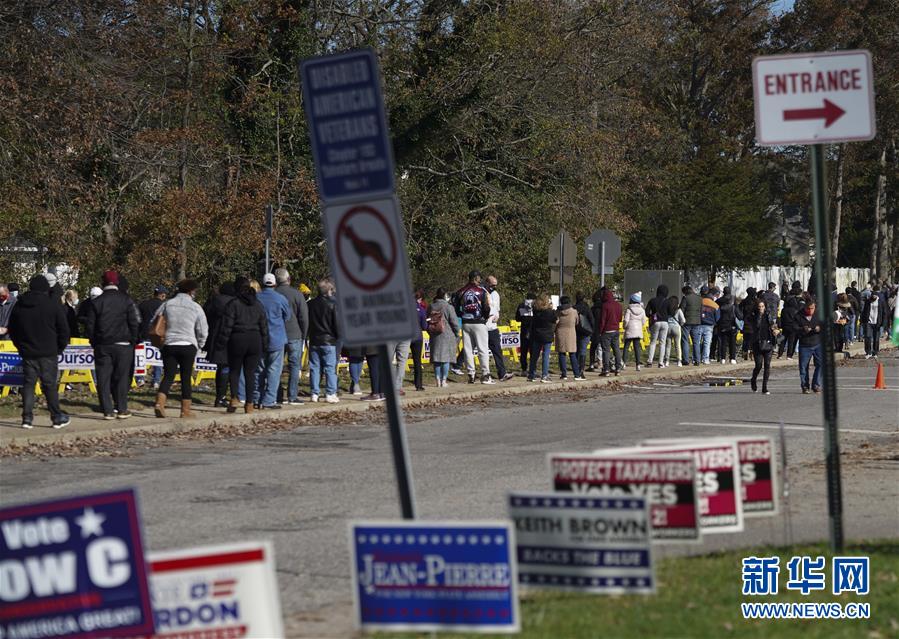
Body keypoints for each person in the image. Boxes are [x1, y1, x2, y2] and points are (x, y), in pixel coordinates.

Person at [8, 275, 70, 429]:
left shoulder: (19, 305)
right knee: (49, 385)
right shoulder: (51, 304)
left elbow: (13, 329)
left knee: (28, 385)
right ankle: (56, 417)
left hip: (28, 351)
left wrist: (20, 347)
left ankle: (27, 418)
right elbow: (64, 329)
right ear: (45, 288)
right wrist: (59, 348)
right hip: (48, 351)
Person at [83, 270, 140, 419]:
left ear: (103, 283)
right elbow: (134, 322)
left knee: (103, 377)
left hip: (103, 344)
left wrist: (94, 341)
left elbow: (90, 326)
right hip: (123, 344)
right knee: (121, 377)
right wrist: (133, 340)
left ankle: (107, 409)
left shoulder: (96, 302)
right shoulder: (126, 300)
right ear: (117, 283)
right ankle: (121, 408)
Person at [151, 279, 208, 418]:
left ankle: (159, 403)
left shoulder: (167, 304)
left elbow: (155, 321)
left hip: (169, 343)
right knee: (186, 377)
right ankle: (185, 411)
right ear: (191, 291)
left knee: (168, 375)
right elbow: (202, 329)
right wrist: (199, 344)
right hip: (188, 345)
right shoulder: (196, 307)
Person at [216, 276, 268, 414]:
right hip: (255, 339)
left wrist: (221, 343)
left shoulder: (234, 304)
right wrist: (265, 343)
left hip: (237, 338)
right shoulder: (258, 305)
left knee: (235, 370)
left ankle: (234, 398)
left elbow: (227, 325)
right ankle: (249, 404)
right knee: (250, 372)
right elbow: (264, 326)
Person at [253, 273, 291, 409]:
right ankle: (269, 400)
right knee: (274, 371)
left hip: (259, 338)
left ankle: (256, 398)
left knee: (259, 370)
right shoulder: (280, 299)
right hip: (277, 338)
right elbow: (288, 316)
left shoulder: (256, 298)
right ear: (274, 284)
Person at [274, 268, 309, 406]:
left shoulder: (274, 294)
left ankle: (276, 394)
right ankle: (292, 395)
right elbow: (304, 317)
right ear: (289, 279)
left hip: (277, 334)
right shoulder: (297, 294)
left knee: (276, 366)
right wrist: (304, 335)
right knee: (295, 366)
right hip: (295, 334)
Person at [455, 270, 494, 384]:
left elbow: (456, 307)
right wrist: (486, 317)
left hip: (466, 322)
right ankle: (486, 374)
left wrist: (462, 315)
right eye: (479, 278)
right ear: (476, 278)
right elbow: (486, 307)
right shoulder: (481, 291)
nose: (480, 280)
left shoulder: (461, 291)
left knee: (468, 350)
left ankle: (471, 375)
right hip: (479, 321)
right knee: (482, 349)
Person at [307, 278, 340, 403]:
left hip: (315, 339)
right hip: (329, 340)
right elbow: (336, 323)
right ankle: (330, 393)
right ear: (329, 290)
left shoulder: (310, 304)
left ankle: (314, 393)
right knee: (330, 368)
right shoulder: (333, 304)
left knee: (314, 367)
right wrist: (337, 336)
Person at [203, 282, 235, 407]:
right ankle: (225, 396)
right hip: (229, 336)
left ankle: (219, 395)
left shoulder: (213, 302)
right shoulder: (234, 303)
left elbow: (206, 316)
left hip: (215, 336)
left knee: (221, 368)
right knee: (228, 368)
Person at [428, 288, 459, 388]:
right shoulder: (448, 307)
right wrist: (457, 332)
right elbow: (454, 322)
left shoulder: (431, 306)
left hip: (434, 334)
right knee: (446, 359)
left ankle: (437, 380)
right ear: (445, 295)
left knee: (437, 359)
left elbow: (427, 320)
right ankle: (444, 381)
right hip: (447, 335)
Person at [484, 275, 514, 382]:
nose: (494, 287)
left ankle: (502, 373)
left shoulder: (495, 294)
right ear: (487, 283)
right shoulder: (482, 293)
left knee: (497, 350)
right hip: (483, 327)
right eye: (492, 285)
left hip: (493, 327)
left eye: (496, 285)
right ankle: (457, 364)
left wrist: (497, 315)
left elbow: (496, 308)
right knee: (472, 346)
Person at [138, 285, 168, 388]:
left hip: (143, 334)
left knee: (141, 357)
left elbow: (137, 319)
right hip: (157, 335)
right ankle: (156, 380)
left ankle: (140, 379)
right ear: (163, 295)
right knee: (157, 358)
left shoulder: (143, 304)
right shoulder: (164, 306)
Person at [750, 298, 779, 395]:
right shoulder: (753, 315)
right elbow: (756, 326)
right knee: (758, 365)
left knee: (767, 365)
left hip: (768, 342)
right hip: (757, 343)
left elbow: (773, 324)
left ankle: (764, 387)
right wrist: (759, 315)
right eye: (759, 307)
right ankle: (753, 380)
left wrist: (776, 330)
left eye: (762, 306)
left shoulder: (769, 315)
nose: (761, 308)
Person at [795, 296, 822, 393]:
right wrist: (803, 329)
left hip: (818, 343)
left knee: (820, 364)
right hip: (805, 344)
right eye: (808, 308)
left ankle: (816, 384)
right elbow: (794, 328)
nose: (810, 311)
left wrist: (820, 328)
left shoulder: (819, 314)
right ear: (805, 307)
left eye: (812, 308)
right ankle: (805, 386)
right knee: (803, 367)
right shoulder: (798, 315)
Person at [527, 294, 556, 382]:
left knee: (534, 356)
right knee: (546, 355)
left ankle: (531, 374)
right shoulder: (549, 312)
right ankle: (545, 375)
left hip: (536, 335)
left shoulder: (536, 311)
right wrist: (552, 307)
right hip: (547, 335)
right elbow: (555, 319)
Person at [554, 295, 582, 380]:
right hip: (571, 333)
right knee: (572, 354)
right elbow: (577, 322)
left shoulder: (558, 312)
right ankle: (577, 374)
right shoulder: (574, 311)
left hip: (560, 333)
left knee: (561, 354)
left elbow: (555, 322)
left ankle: (564, 374)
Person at [599, 289, 623, 376]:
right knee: (616, 350)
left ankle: (606, 370)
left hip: (607, 330)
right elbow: (620, 318)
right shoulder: (618, 305)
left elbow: (603, 320)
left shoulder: (605, 306)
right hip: (616, 330)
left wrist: (600, 331)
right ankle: (618, 368)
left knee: (606, 351)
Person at [777, 282, 804, 360]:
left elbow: (781, 317)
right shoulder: (795, 309)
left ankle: (780, 354)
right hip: (793, 325)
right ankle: (789, 355)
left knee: (783, 340)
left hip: (785, 325)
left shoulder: (784, 309)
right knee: (791, 340)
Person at [645, 285, 669, 368]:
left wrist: (652, 315)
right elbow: (670, 312)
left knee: (653, 342)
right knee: (662, 343)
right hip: (665, 322)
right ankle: (661, 362)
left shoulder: (652, 300)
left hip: (656, 322)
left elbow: (647, 312)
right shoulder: (667, 301)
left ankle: (649, 361)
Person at [622, 292, 646, 371]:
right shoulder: (642, 310)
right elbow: (644, 321)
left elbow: (626, 320)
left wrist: (624, 327)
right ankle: (638, 365)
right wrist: (640, 326)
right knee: (637, 348)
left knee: (626, 347)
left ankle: (624, 363)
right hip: (638, 331)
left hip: (629, 329)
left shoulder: (629, 309)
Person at [410, 290, 428, 391]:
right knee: (417, 361)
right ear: (420, 299)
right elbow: (424, 326)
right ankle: (418, 384)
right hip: (417, 336)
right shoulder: (421, 309)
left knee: (401, 360)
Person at [698, 285, 720, 365]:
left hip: (699, 324)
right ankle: (705, 359)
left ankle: (697, 358)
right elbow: (717, 318)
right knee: (707, 343)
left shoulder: (699, 302)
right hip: (709, 326)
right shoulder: (715, 305)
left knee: (698, 342)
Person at [680, 285, 702, 365]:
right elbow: (701, 310)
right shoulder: (699, 298)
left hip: (686, 322)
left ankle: (686, 360)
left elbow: (681, 310)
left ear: (685, 291)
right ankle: (697, 360)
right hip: (697, 322)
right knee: (696, 342)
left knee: (685, 341)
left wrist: (681, 321)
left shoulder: (685, 298)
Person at [715, 287, 738, 364]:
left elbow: (716, 308)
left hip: (722, 323)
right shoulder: (733, 300)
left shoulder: (719, 301)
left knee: (723, 342)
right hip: (732, 323)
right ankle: (732, 358)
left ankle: (723, 358)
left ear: (723, 292)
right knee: (732, 342)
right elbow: (737, 311)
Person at [515, 292, 535, 375]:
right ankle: (532, 369)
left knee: (523, 351)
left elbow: (517, 318)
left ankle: (524, 369)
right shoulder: (535, 306)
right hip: (533, 331)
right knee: (533, 351)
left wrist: (524, 317)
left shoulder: (521, 305)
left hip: (524, 330)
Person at [573, 292, 593, 376]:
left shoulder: (574, 308)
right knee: (583, 350)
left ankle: (576, 367)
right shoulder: (586, 308)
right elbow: (592, 319)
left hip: (576, 331)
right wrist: (592, 330)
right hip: (585, 331)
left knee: (576, 349)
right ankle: (581, 369)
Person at [861, 285, 883, 358]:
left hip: (877, 322)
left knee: (876, 338)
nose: (872, 298)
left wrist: (884, 323)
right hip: (868, 322)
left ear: (876, 296)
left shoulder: (880, 301)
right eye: (872, 296)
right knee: (867, 337)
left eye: (874, 297)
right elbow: (864, 311)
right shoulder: (868, 301)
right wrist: (862, 320)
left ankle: (875, 352)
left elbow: (884, 312)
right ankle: (868, 352)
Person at [740, 287, 758, 360]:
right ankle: (752, 353)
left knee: (745, 338)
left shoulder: (744, 301)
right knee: (753, 339)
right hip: (753, 322)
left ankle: (745, 352)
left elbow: (739, 309)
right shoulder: (756, 301)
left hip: (745, 321)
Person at [588, 289, 604, 371]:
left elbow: (590, 319)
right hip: (603, 329)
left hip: (594, 329)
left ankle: (591, 364)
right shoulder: (604, 308)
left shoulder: (593, 309)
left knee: (593, 347)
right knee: (603, 347)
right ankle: (602, 363)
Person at [666, 296, 685, 367]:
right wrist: (680, 324)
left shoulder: (667, 310)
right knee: (677, 345)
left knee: (668, 345)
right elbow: (683, 320)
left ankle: (667, 361)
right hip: (676, 327)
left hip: (668, 327)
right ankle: (679, 361)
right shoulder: (678, 310)